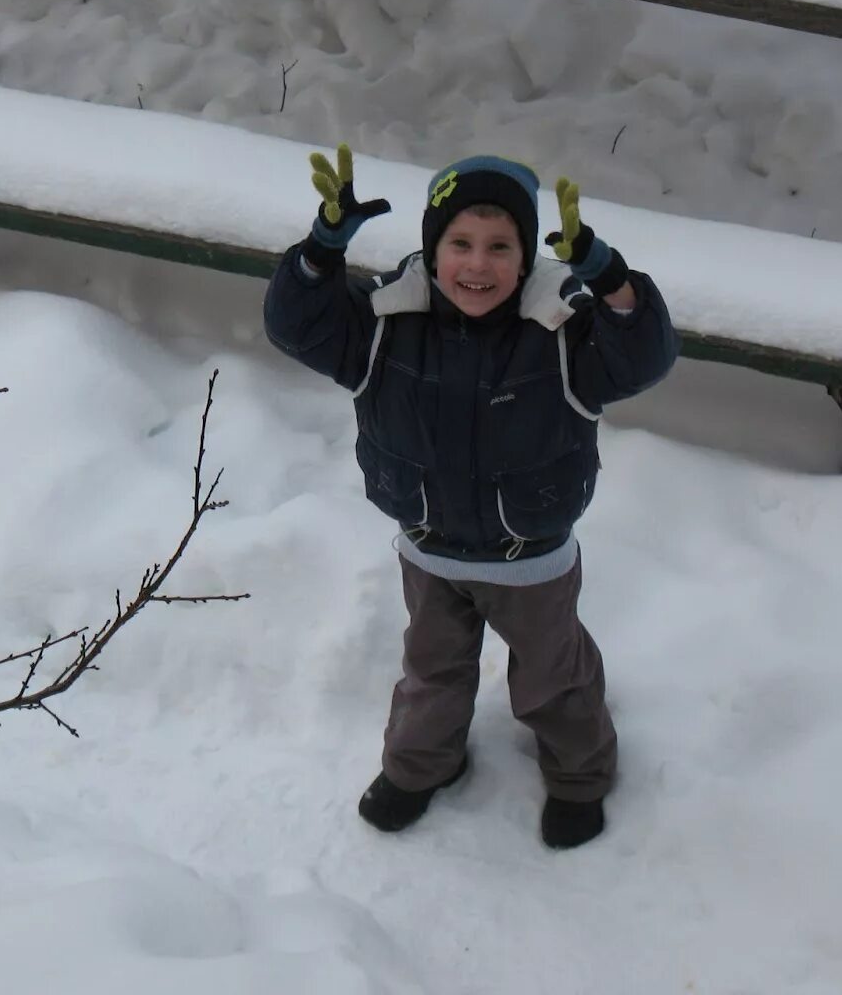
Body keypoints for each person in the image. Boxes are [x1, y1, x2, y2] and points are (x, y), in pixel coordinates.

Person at [263, 144, 678, 848]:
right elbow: (296, 326)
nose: (477, 265)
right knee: (431, 672)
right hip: (429, 550)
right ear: (432, 247)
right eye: (459, 243)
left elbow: (644, 356)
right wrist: (318, 256)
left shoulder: (561, 332)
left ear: (527, 256)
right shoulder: (384, 324)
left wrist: (609, 279)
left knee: (555, 678)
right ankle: (424, 765)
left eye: (499, 246)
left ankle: (579, 776)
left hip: (531, 558)